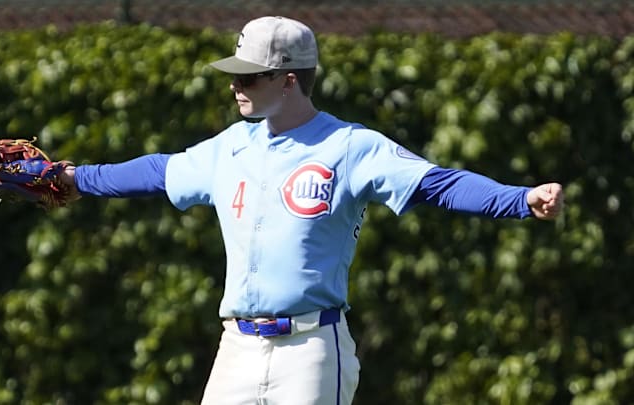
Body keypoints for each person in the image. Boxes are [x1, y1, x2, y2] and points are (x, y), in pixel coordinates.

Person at [60, 16, 564, 405]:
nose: (237, 86)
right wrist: (74, 179)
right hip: (236, 347)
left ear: (290, 80)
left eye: (251, 77)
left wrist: (520, 200)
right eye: (236, 75)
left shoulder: (350, 146)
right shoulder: (230, 146)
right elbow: (157, 171)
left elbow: (437, 183)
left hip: (311, 350)